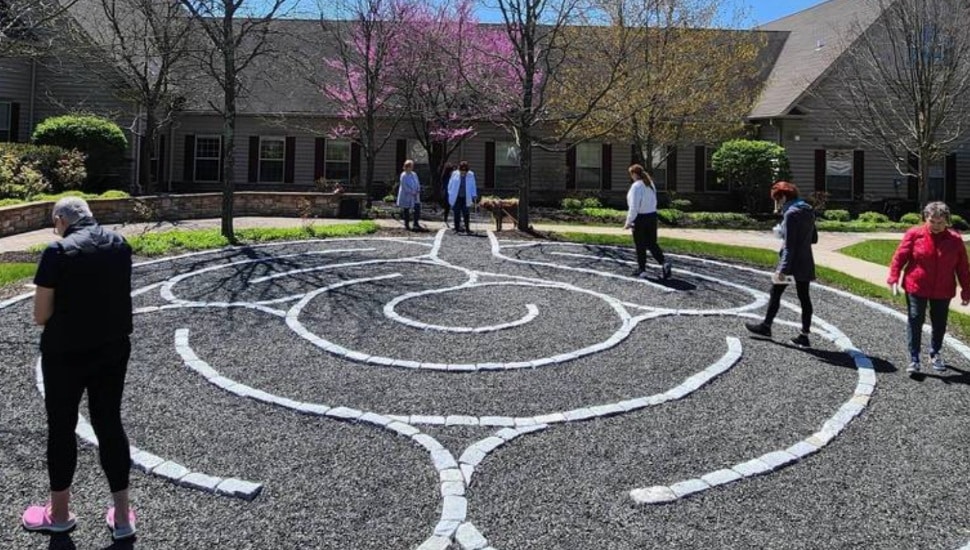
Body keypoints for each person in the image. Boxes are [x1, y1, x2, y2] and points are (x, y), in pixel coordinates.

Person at [21, 197, 137, 541]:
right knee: (109, 423)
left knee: (61, 427)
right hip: (113, 349)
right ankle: (122, 517)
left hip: (65, 353)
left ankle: (58, 514)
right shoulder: (119, 244)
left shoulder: (57, 252)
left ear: (61, 220)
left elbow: (40, 315)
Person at [887, 201, 970, 374]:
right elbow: (899, 257)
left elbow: (962, 267)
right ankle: (914, 357)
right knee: (915, 319)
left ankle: (935, 351)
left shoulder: (955, 240)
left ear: (947, 221)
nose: (936, 226)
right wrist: (893, 277)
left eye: (940, 222)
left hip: (943, 289)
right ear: (926, 218)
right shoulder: (914, 234)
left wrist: (966, 290)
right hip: (916, 285)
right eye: (932, 221)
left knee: (939, 322)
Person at [744, 181, 817, 346]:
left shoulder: (791, 214)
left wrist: (782, 270)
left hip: (790, 264)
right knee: (804, 297)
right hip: (805, 261)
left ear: (783, 197)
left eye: (777, 199)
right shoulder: (809, 210)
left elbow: (790, 247)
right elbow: (814, 238)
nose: (777, 203)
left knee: (775, 292)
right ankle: (804, 335)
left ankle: (766, 327)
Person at [623, 164, 672, 280]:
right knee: (651, 243)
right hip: (652, 216)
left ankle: (642, 269)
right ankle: (664, 262)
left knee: (640, 245)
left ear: (634, 174)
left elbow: (634, 206)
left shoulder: (636, 186)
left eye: (631, 174)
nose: (631, 177)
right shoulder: (650, 184)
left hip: (640, 218)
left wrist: (628, 221)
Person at [448, 160, 478, 233]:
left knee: (466, 213)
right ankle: (457, 228)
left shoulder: (471, 174)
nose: (463, 172)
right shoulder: (454, 174)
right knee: (456, 213)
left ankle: (467, 228)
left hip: (466, 197)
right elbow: (450, 184)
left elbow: (473, 185)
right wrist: (450, 192)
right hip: (456, 196)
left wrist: (474, 195)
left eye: (465, 171)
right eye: (462, 171)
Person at [397, 159, 423, 231]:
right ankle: (407, 224)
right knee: (406, 210)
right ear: (407, 167)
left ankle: (416, 223)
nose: (412, 168)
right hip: (407, 195)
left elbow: (417, 182)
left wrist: (418, 189)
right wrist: (411, 192)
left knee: (417, 208)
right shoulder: (403, 175)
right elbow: (404, 186)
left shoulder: (414, 174)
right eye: (411, 166)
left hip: (415, 195)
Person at [441, 162, 455, 227]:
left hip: (451, 193)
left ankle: (454, 220)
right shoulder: (446, 177)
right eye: (452, 170)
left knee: (454, 207)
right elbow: (446, 186)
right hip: (447, 193)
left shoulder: (452, 177)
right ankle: (445, 219)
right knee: (447, 207)